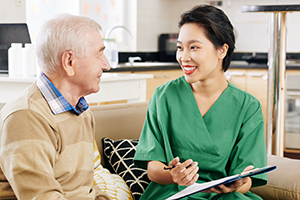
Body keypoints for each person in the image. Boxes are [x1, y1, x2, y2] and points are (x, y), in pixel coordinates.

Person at [133, 5, 267, 200]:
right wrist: (173, 175)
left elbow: (246, 179)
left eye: (194, 47)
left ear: (222, 50)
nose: (183, 57)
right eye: (180, 47)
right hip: (174, 193)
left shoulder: (248, 107)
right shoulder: (164, 96)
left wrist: (237, 185)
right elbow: (153, 169)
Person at [0, 14, 111, 200]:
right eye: (99, 54)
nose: (106, 65)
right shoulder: (26, 116)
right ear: (69, 62)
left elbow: (86, 190)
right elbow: (42, 197)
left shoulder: (81, 110)